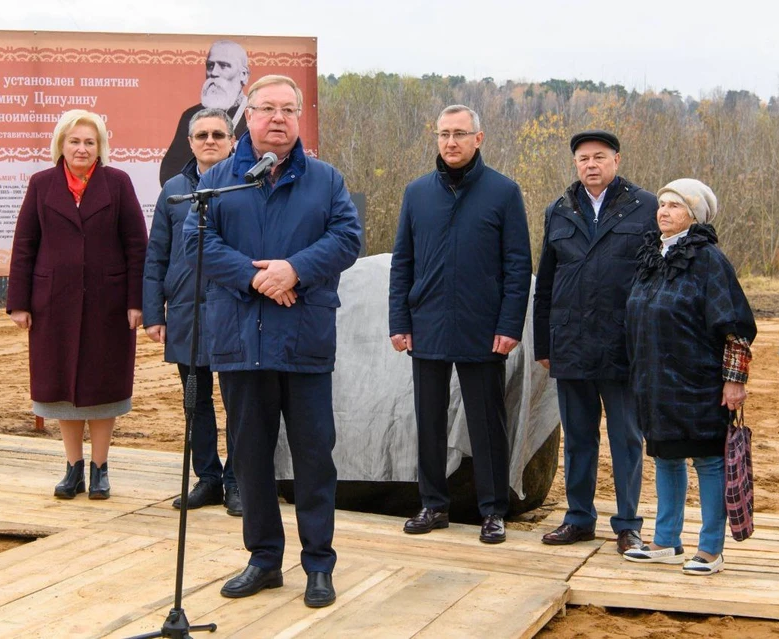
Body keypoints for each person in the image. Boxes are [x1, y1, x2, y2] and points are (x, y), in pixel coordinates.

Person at [185, 74, 361, 608]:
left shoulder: (326, 180)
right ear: (248, 114)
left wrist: (295, 269)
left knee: (314, 458)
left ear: (300, 116)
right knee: (251, 457)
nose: (278, 118)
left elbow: (348, 237)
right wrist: (256, 276)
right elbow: (197, 241)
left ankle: (318, 565)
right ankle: (263, 559)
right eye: (267, 108)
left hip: (304, 342)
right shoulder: (219, 179)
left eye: (289, 108)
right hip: (241, 342)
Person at [389, 104, 531, 545]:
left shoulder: (503, 193)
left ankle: (493, 511)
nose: (451, 142)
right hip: (427, 323)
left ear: (478, 139)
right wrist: (400, 320)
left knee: (487, 422)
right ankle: (433, 505)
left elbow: (518, 265)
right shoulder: (417, 193)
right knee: (428, 420)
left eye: (460, 134)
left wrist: (509, 325)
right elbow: (403, 262)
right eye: (444, 134)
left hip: (483, 328)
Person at [7, 109, 147, 500]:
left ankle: (100, 468)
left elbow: (137, 246)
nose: (82, 148)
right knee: (62, 390)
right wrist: (19, 302)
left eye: (89, 141)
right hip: (53, 304)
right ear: (61, 145)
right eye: (75, 141)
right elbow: (24, 245)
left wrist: (137, 301)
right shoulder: (41, 184)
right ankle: (73, 468)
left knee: (102, 387)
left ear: (100, 146)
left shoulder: (118, 184)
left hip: (110, 305)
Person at [623, 178, 756, 576]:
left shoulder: (709, 260)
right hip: (654, 380)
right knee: (666, 456)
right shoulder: (651, 257)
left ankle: (711, 549)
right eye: (661, 204)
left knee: (709, 460)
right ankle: (666, 541)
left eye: (675, 206)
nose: (663, 211)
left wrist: (734, 381)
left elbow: (735, 327)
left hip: (698, 380)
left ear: (693, 215)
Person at [532, 130, 657, 554]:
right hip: (570, 344)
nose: (591, 165)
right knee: (578, 438)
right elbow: (545, 283)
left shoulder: (646, 208)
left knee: (626, 438)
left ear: (616, 161)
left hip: (624, 347)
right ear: (575, 164)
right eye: (583, 158)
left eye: (599, 157)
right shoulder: (559, 210)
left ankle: (627, 524)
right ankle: (579, 519)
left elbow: (656, 280)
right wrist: (543, 346)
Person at [144, 107, 240, 515]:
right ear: (190, 142)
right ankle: (208, 478)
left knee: (239, 401)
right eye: (202, 135)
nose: (210, 141)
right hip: (186, 312)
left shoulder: (246, 187)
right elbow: (156, 256)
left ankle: (238, 481)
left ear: (233, 141)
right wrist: (154, 313)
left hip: (236, 309)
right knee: (195, 400)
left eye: (219, 134)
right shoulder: (173, 191)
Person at [159, 40, 250, 186]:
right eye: (210, 65)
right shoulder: (191, 115)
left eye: (224, 66)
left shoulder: (255, 117)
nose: (213, 72)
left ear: (243, 75)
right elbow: (170, 172)